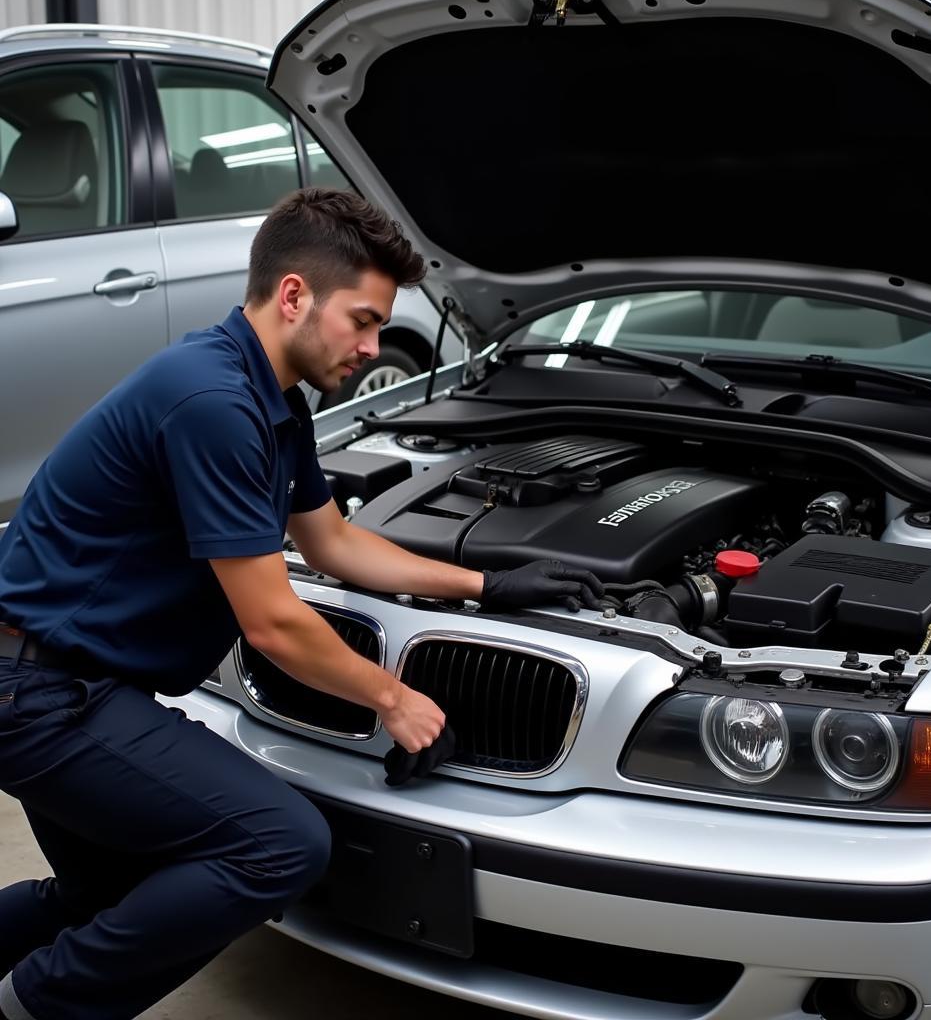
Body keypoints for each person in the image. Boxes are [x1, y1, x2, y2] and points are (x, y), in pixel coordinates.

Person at [0, 187, 602, 1020]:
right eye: (362, 319)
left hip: (64, 678)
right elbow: (273, 622)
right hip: (39, 692)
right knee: (279, 844)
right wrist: (394, 697)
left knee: (108, 895)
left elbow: (334, 545)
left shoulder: (272, 402)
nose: (373, 345)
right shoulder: (212, 402)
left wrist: (489, 584)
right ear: (293, 296)